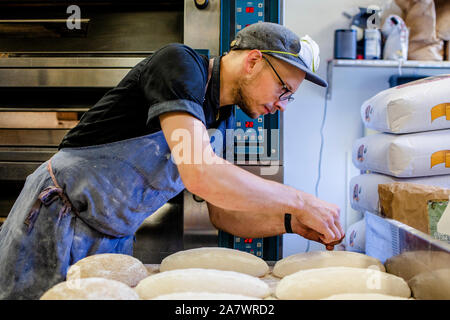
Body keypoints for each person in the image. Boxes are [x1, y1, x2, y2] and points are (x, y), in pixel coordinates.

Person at [0, 22, 344, 300]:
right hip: (56, 221)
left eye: (290, 98)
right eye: (283, 89)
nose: (282, 104)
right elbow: (199, 173)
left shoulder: (217, 117)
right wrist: (302, 200)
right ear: (253, 61)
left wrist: (290, 222)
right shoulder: (180, 65)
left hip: (112, 237)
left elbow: (222, 212)